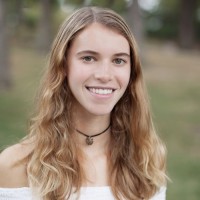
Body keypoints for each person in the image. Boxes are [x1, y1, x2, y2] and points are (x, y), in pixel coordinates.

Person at [0, 6, 167, 200]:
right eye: (88, 58)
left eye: (119, 61)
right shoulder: (14, 166)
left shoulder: (146, 159)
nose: (105, 75)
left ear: (132, 71)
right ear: (63, 65)